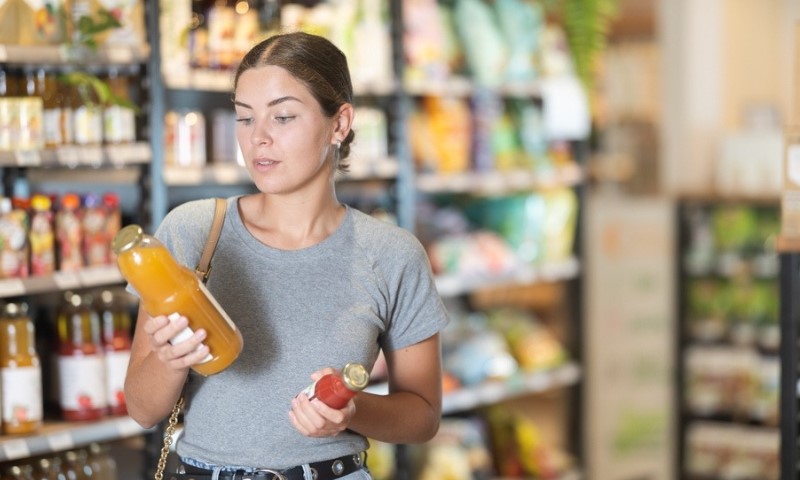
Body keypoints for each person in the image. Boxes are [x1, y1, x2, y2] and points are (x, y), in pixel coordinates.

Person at [123, 31, 450, 479]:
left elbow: (423, 415)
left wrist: (351, 411)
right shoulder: (193, 232)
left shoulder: (391, 255)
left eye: (283, 117)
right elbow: (142, 410)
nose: (258, 138)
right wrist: (166, 359)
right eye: (244, 118)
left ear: (339, 124)